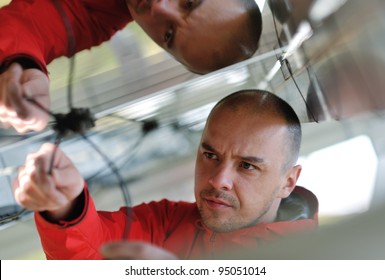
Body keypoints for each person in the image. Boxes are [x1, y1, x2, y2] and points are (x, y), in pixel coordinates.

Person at [13, 89, 318, 259]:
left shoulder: (313, 259)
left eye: (247, 166)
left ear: (288, 182)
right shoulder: (169, 221)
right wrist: (65, 203)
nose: (217, 179)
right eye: (210, 155)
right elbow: (93, 251)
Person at [0, 0, 262, 133]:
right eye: (190, 1)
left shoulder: (97, 16)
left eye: (168, 35)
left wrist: (23, 68)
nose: (159, 8)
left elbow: (32, 28)